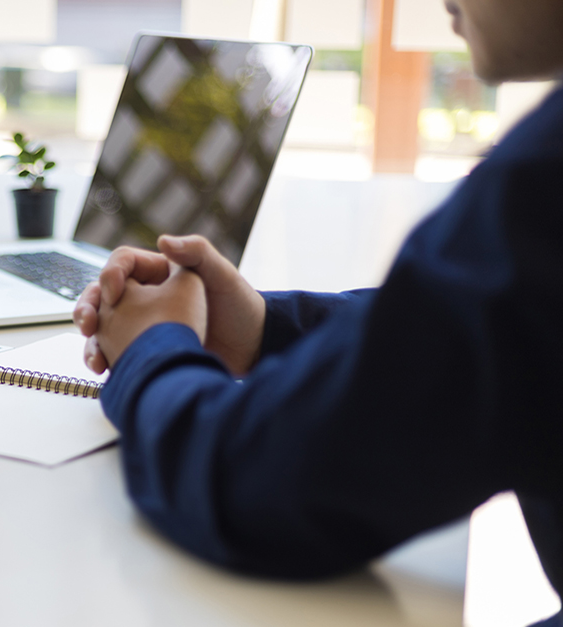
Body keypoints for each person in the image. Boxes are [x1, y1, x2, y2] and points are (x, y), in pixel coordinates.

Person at [74, 0, 563, 617]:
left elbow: (252, 483)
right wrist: (263, 328)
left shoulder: (544, 183)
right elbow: (461, 327)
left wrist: (152, 349)